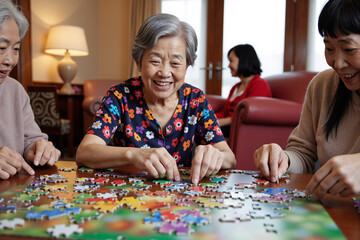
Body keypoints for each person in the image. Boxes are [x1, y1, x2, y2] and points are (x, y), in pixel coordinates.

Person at [76, 13, 236, 184]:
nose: (165, 73)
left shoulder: (195, 100)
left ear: (187, 65)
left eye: (175, 63)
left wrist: (215, 155)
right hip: (128, 197)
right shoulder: (119, 96)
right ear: (139, 62)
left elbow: (230, 158)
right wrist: (133, 154)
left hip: (181, 200)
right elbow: (85, 152)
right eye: (155, 61)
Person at [254, 0, 360, 199]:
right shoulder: (323, 85)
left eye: (349, 49)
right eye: (329, 49)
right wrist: (283, 158)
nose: (337, 63)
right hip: (330, 213)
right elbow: (303, 153)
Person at [0, 0, 61, 180]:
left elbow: (30, 140)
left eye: (16, 49)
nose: (10, 60)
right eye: (1, 48)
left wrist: (38, 148)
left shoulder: (15, 91)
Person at [216, 44, 271, 137]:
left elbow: (250, 115)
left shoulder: (259, 85)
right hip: (228, 127)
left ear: (243, 60)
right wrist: (208, 118)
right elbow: (224, 112)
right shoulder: (236, 87)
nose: (228, 65)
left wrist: (217, 122)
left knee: (202, 131)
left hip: (239, 128)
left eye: (231, 60)